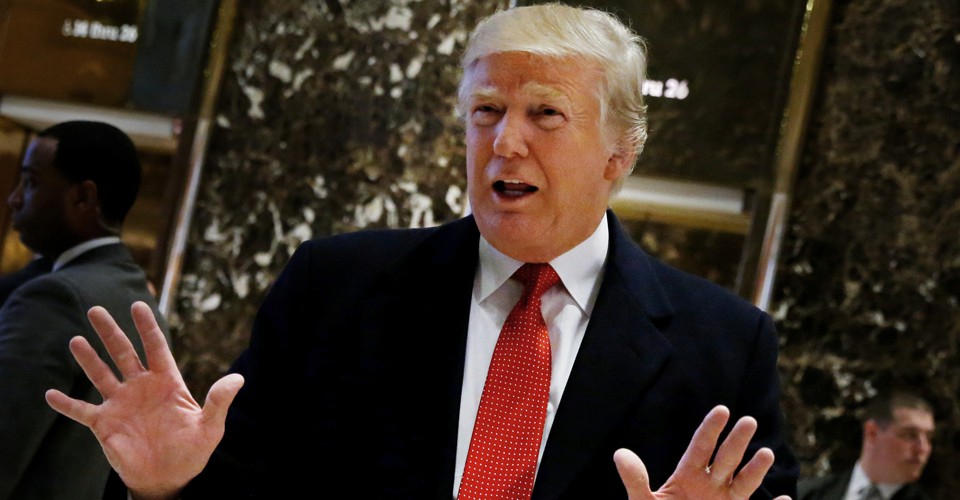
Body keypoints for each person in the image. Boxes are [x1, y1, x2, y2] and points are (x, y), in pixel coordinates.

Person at [46, 4, 798, 500]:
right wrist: (168, 485)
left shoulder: (724, 347)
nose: (505, 141)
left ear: (620, 152)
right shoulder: (337, 288)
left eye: (545, 113)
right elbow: (243, 485)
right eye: (486, 111)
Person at [0, 120, 169, 500]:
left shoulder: (54, 296)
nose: (14, 199)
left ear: (82, 197)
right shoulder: (140, 300)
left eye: (30, 182)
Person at [797, 391, 935, 500]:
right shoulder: (806, 493)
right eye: (910, 435)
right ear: (872, 433)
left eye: (929, 437)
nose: (923, 448)